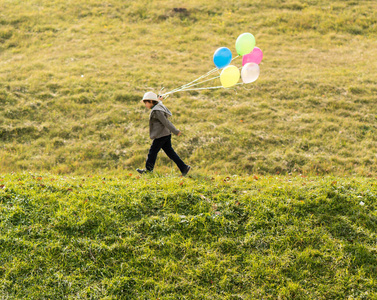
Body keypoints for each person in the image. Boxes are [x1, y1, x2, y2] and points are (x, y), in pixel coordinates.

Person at [136, 92, 191, 176]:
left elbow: (166, 122)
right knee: (170, 152)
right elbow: (159, 104)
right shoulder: (158, 106)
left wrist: (175, 131)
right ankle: (184, 167)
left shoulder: (157, 111)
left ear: (151, 101)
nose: (145, 105)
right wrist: (159, 100)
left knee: (152, 152)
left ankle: (148, 170)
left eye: (146, 103)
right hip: (165, 134)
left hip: (161, 135)